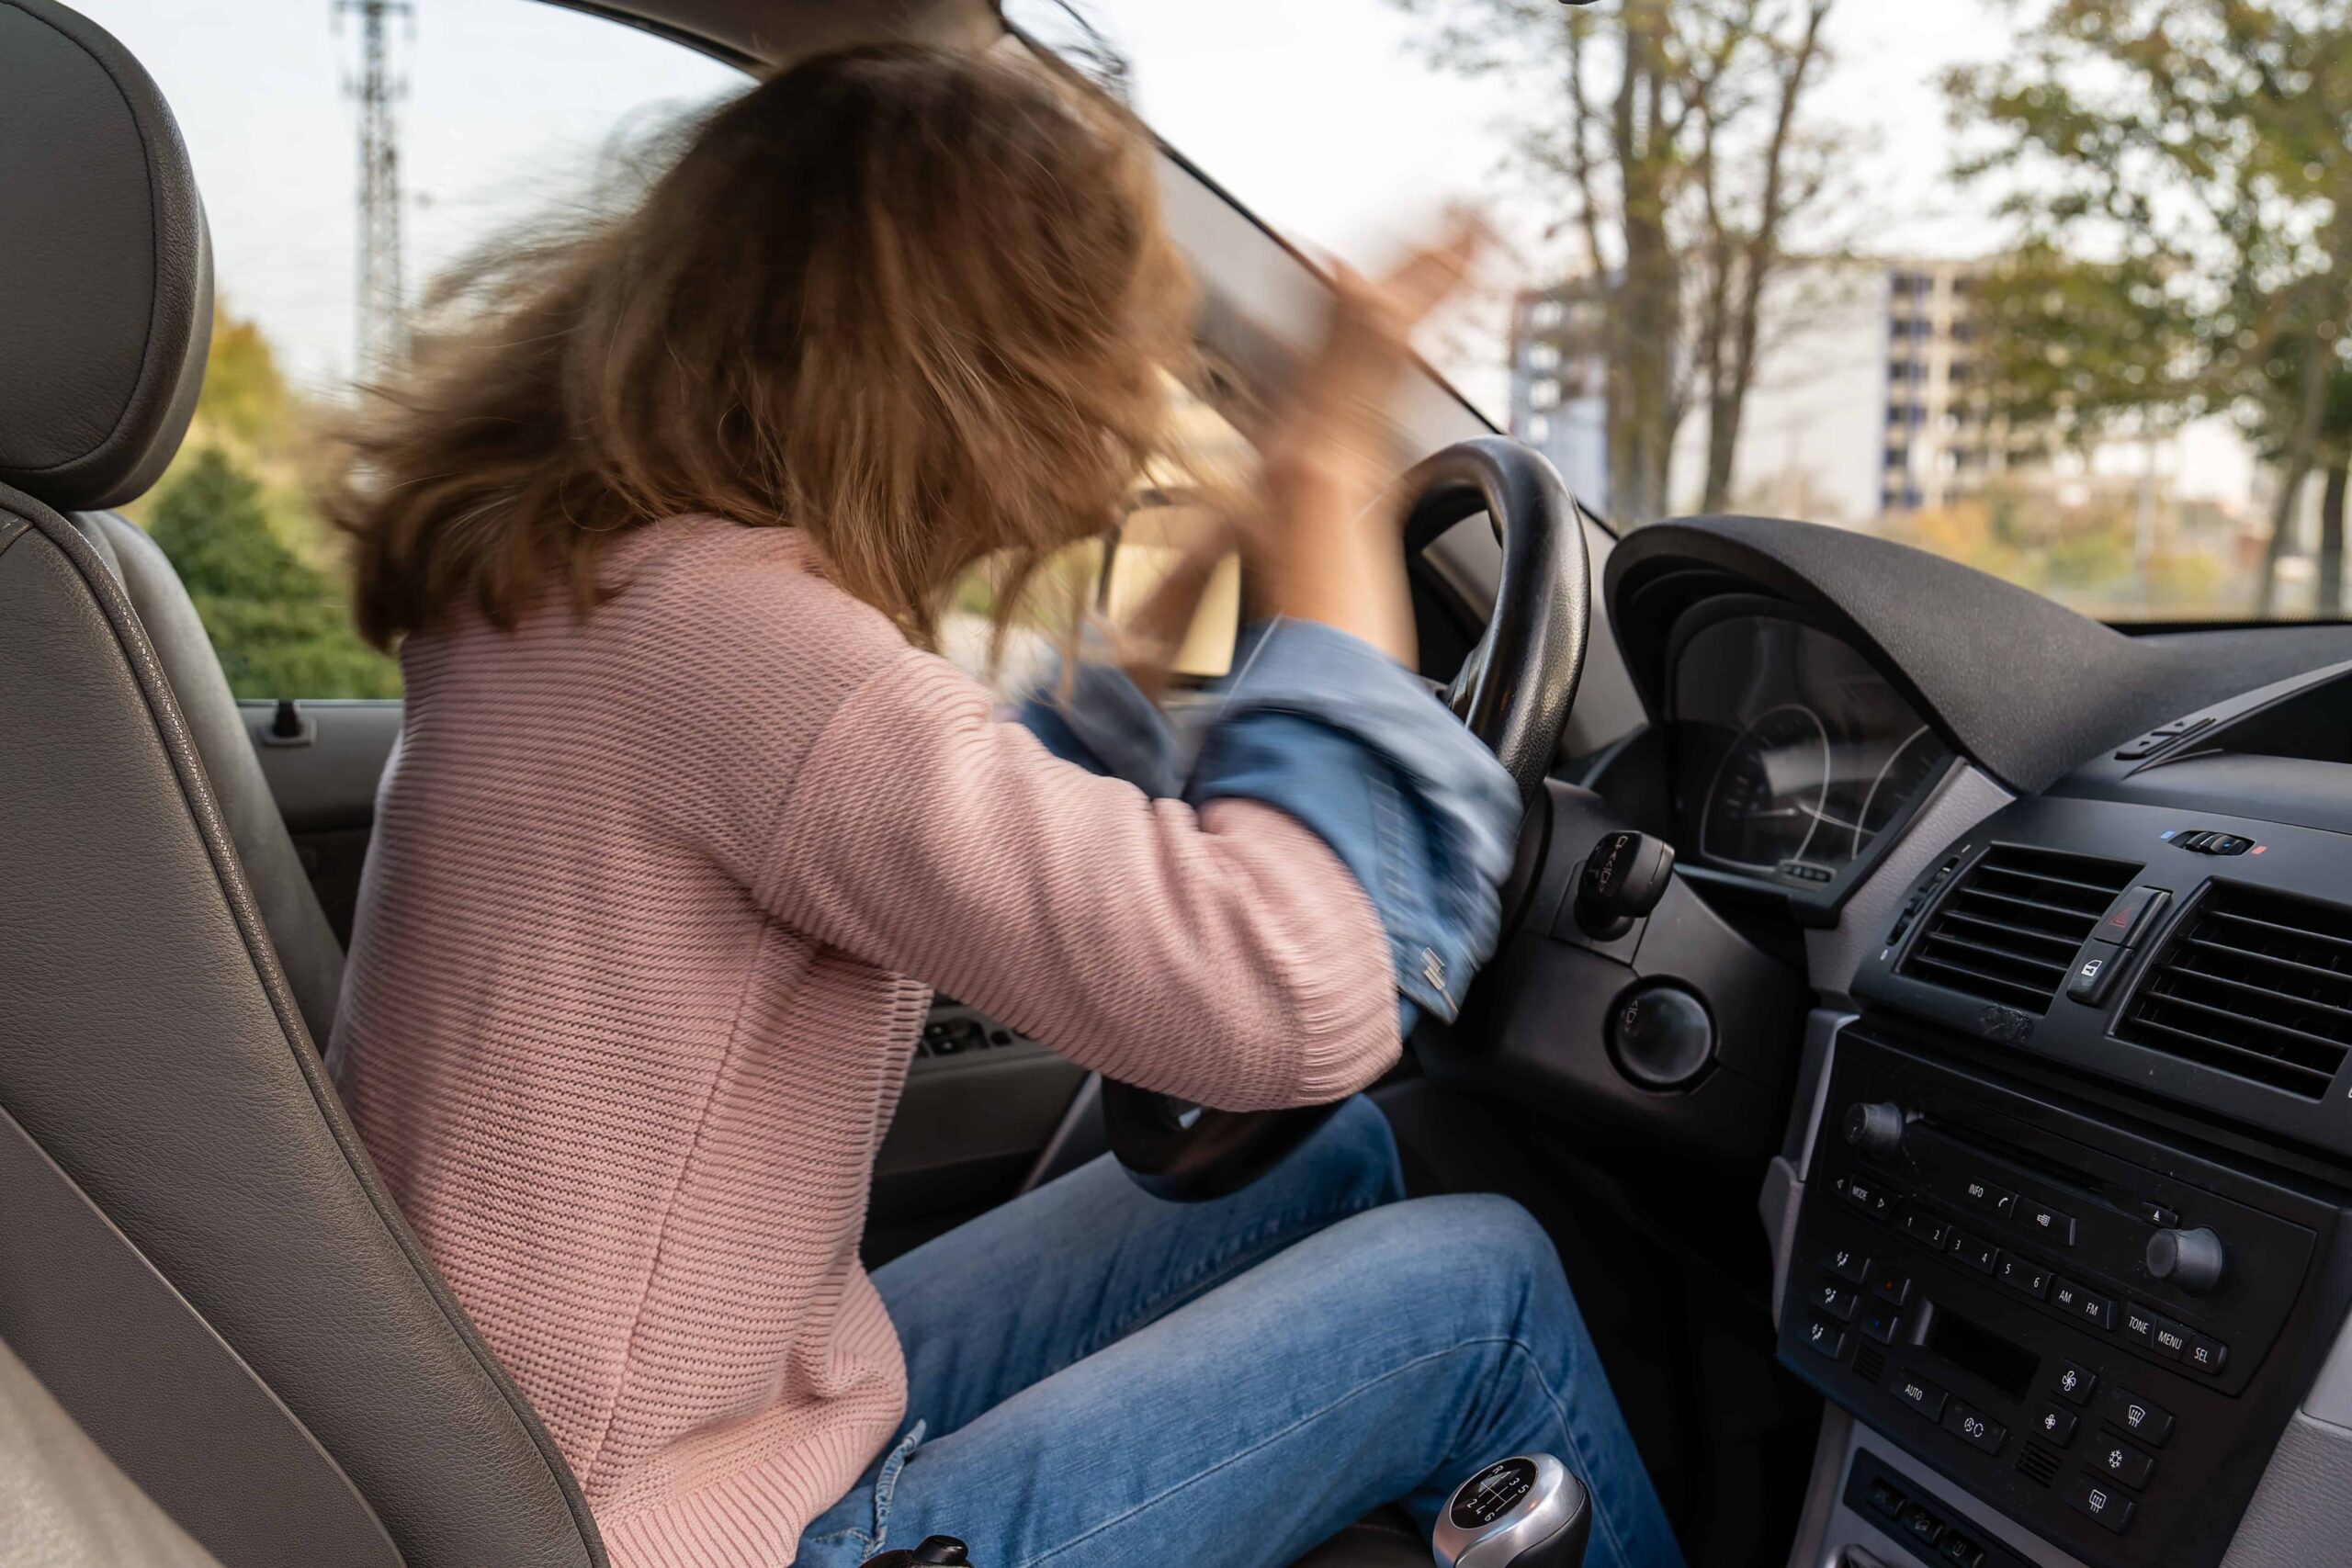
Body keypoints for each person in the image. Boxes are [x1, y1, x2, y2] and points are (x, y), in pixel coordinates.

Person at [328, 42, 1683, 1568]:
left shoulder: (594, 591)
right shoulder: (753, 655)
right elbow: (1298, 998)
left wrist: (1180, 601)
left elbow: (937, 817)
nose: (1129, 399)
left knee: (1333, 1164)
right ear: (987, 371)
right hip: (647, 1531)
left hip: (596, 1445)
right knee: (1481, 1294)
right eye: (1110, 347)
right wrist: (1316, 488)